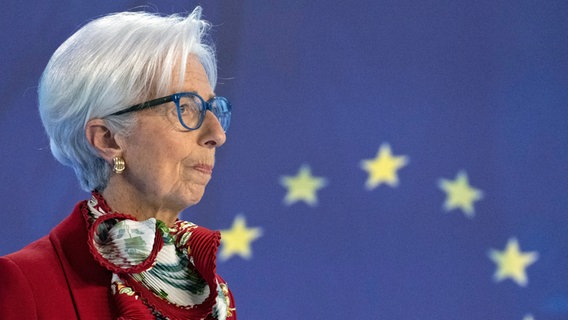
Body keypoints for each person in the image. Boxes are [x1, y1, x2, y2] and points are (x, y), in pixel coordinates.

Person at [0, 6, 237, 320]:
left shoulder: (214, 295)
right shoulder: (24, 284)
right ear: (108, 139)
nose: (216, 134)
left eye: (211, 107)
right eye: (186, 108)